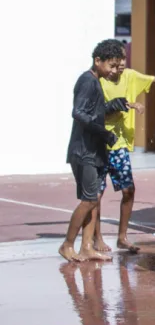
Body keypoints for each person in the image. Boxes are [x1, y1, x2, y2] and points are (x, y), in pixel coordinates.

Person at [93, 52, 155, 254]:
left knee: (128, 190)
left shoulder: (131, 76)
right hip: (99, 145)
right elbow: (94, 110)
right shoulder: (98, 80)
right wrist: (122, 105)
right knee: (96, 194)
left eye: (123, 62)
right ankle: (96, 237)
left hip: (120, 145)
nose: (120, 66)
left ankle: (122, 237)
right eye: (116, 63)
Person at [60, 40, 129, 262]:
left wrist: (113, 105)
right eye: (110, 65)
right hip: (85, 152)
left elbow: (94, 111)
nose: (113, 71)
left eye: (117, 65)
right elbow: (78, 112)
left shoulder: (95, 80)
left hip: (95, 151)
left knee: (93, 200)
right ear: (97, 61)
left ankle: (87, 246)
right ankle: (67, 244)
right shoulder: (87, 81)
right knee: (89, 199)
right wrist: (104, 133)